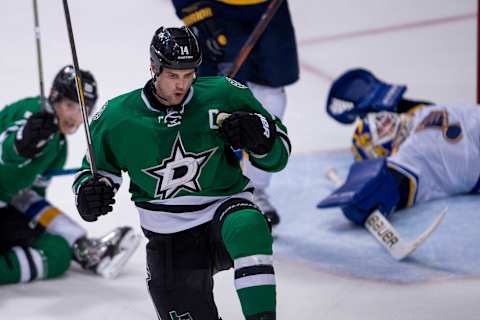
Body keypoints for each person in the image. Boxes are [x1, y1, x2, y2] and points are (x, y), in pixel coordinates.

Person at [73, 26, 291, 320]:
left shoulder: (223, 94)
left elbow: (279, 155)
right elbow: (95, 174)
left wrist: (261, 138)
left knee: (248, 223)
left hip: (223, 212)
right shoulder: (117, 118)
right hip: (169, 237)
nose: (182, 85)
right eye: (173, 75)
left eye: (189, 75)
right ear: (153, 67)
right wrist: (89, 193)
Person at [0, 65, 139, 285]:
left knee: (56, 253)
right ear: (54, 97)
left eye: (83, 108)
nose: (75, 116)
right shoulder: (33, 113)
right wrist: (20, 144)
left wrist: (70, 235)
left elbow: (30, 197)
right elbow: (7, 147)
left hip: (5, 206)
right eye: (70, 105)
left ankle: (82, 249)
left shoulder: (59, 146)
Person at [170, 0, 299, 226]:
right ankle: (211, 189)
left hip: (269, 8)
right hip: (216, 8)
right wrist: (194, 11)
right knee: (214, 98)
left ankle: (254, 189)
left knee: (271, 94)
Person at [318, 68, 480, 226]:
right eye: (379, 132)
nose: (386, 124)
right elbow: (391, 185)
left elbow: (395, 102)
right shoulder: (411, 153)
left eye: (379, 120)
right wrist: (358, 200)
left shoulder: (416, 113)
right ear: (381, 153)